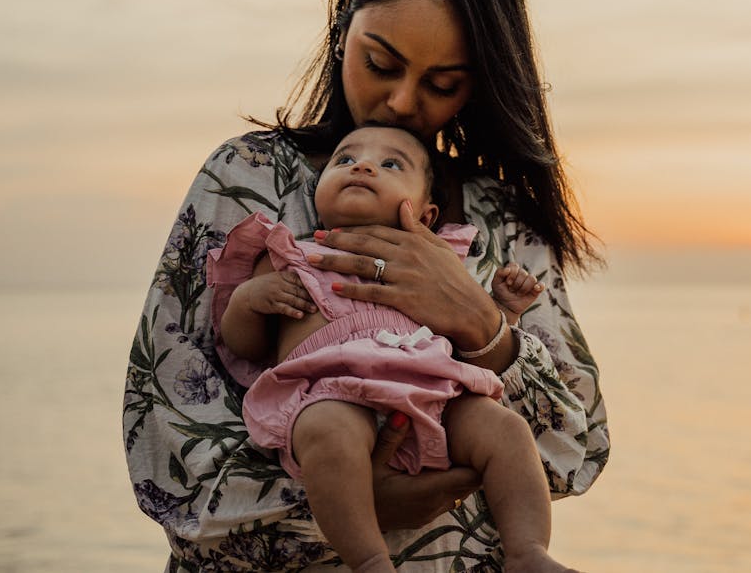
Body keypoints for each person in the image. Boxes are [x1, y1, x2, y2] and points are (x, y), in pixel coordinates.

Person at [123, 0, 609, 570]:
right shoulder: (248, 180)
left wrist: (484, 328)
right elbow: (166, 445)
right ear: (340, 32)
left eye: (442, 84)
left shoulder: (502, 216)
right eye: (380, 63)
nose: (403, 103)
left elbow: (575, 451)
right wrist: (351, 499)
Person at [208, 125, 573, 573]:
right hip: (331, 391)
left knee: (506, 431)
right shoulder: (287, 253)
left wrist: (503, 310)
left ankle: (527, 551)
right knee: (328, 437)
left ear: (425, 213)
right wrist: (248, 302)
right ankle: (369, 560)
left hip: (434, 389)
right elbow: (245, 349)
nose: (362, 166)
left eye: (390, 164)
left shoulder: (440, 260)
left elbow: (462, 330)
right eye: (344, 160)